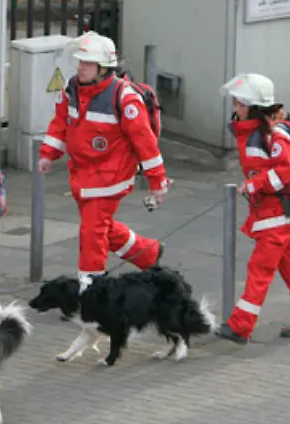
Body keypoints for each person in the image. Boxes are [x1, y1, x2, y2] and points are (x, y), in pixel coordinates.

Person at [37, 31, 170, 281]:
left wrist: (157, 182)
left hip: (109, 179)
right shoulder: (72, 89)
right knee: (101, 226)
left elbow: (146, 145)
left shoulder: (125, 99)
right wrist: (48, 154)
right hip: (82, 176)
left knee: (92, 233)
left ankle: (91, 289)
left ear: (103, 68)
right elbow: (60, 123)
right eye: (79, 61)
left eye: (87, 63)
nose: (80, 67)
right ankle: (148, 253)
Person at [215, 73, 290, 344]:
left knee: (260, 270)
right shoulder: (256, 132)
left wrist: (253, 185)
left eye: (239, 103)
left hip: (276, 215)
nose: (235, 107)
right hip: (279, 213)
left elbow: (286, 171)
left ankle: (240, 326)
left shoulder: (273, 135)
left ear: (253, 106)